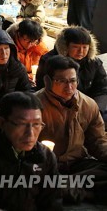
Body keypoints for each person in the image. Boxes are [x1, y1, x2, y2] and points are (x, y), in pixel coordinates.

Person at [36, 55, 107, 204]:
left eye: (73, 81)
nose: (69, 87)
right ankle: (76, 190)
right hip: (47, 166)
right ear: (47, 81)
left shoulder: (88, 104)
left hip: (77, 164)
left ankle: (66, 187)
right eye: (61, 81)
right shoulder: (34, 105)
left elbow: (98, 141)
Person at [35, 26, 107, 119]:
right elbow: (44, 88)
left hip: (87, 107)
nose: (81, 51)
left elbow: (102, 89)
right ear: (65, 46)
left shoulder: (94, 62)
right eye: (75, 47)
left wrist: (96, 110)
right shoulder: (49, 61)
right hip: (58, 109)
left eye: (85, 47)